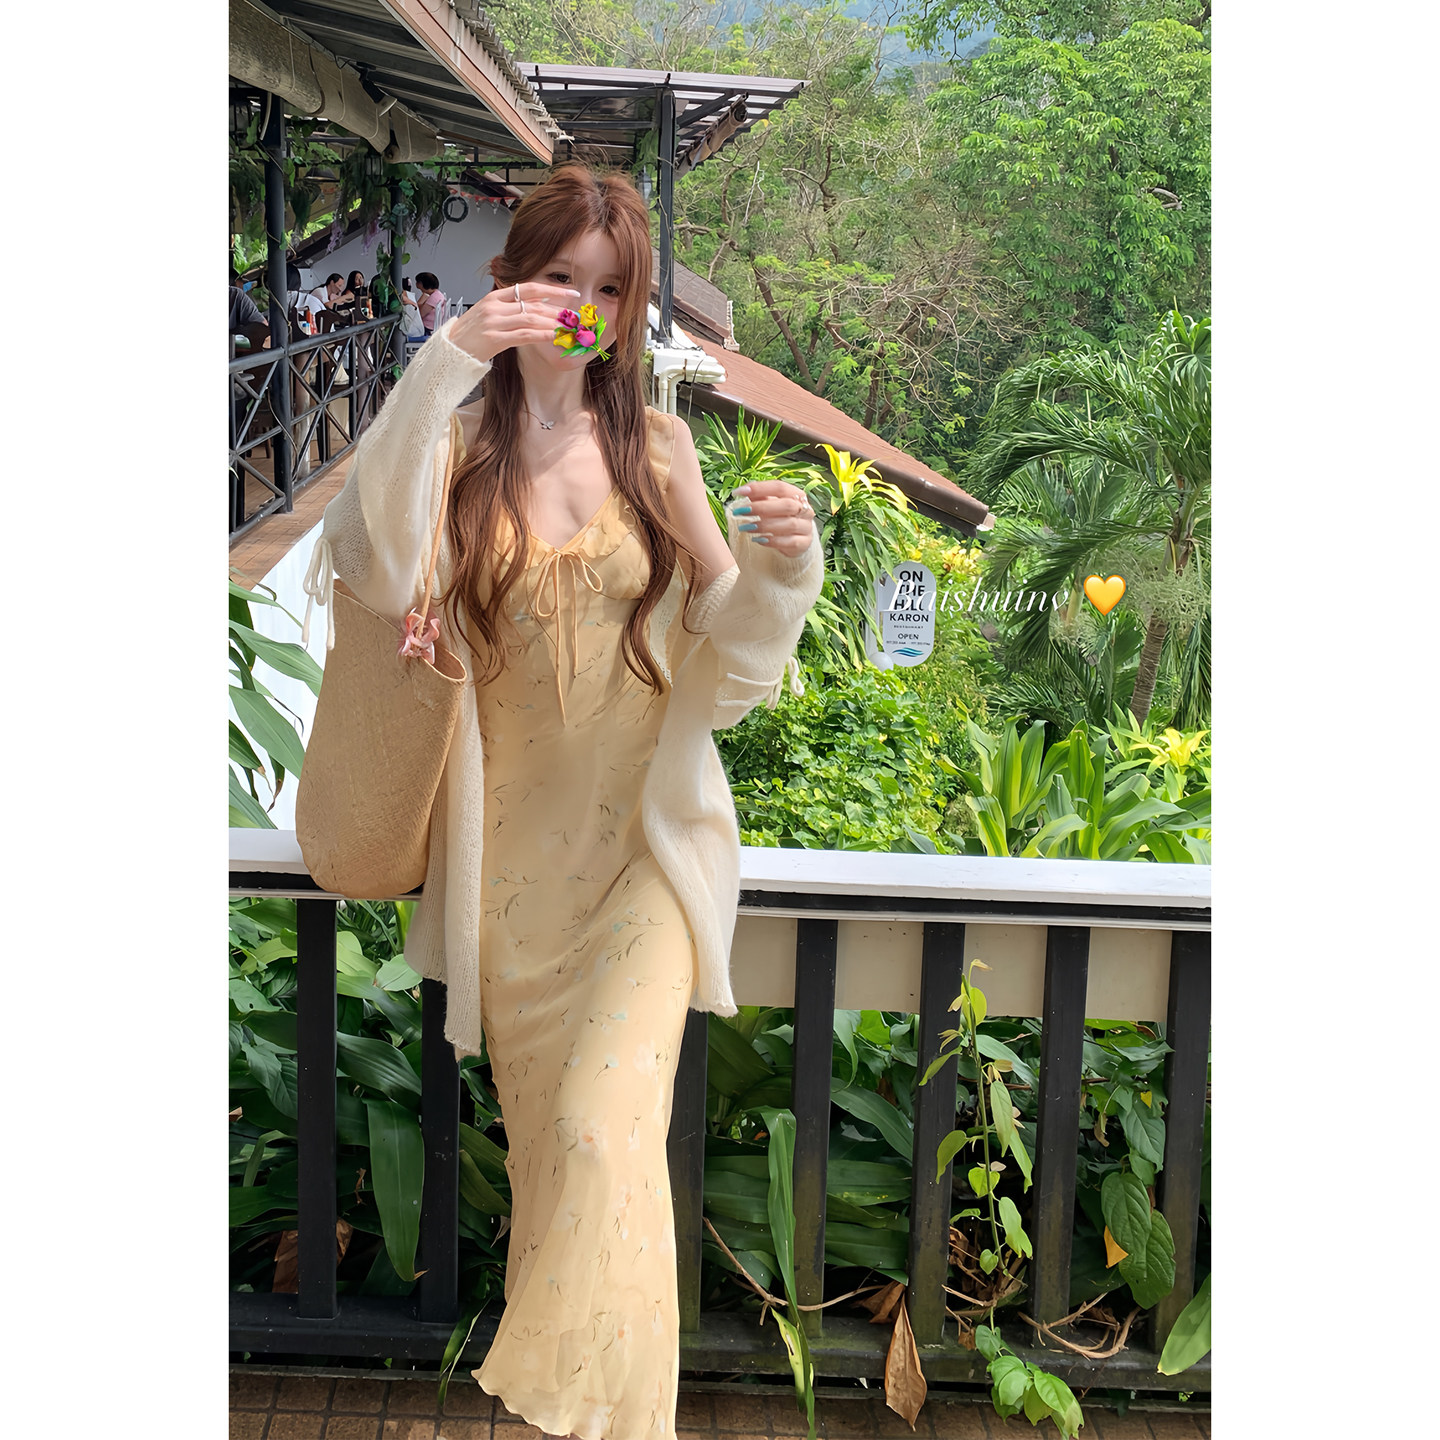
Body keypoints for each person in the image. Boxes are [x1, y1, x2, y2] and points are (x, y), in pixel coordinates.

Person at [301, 163, 823, 1440]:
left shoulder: (658, 450)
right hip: (508, 884)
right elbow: (368, 554)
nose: (584, 306)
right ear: (508, 283)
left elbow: (732, 661)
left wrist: (786, 577)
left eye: (611, 289)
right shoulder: (452, 450)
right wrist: (449, 357)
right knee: (562, 1172)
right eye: (558, 279)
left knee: (597, 1137)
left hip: (646, 859)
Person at [414, 271, 446, 336]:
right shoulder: (437, 294)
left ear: (422, 284)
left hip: (427, 329)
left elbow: (420, 314)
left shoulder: (434, 297)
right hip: (431, 327)